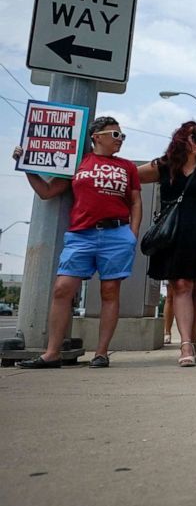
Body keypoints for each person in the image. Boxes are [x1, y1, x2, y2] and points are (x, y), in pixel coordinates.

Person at [14, 116, 141, 369]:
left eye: (122, 136)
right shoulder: (78, 164)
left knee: (109, 291)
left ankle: (101, 353)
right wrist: (25, 165)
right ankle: (52, 353)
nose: (120, 141)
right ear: (97, 136)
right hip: (81, 234)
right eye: (116, 135)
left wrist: (132, 235)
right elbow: (47, 192)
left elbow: (136, 201)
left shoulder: (127, 167)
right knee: (62, 288)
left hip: (116, 234)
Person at [139, 121, 196, 367]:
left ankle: (192, 339)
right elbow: (130, 175)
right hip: (174, 233)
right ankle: (185, 344)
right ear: (182, 139)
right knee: (180, 284)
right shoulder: (164, 165)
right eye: (194, 137)